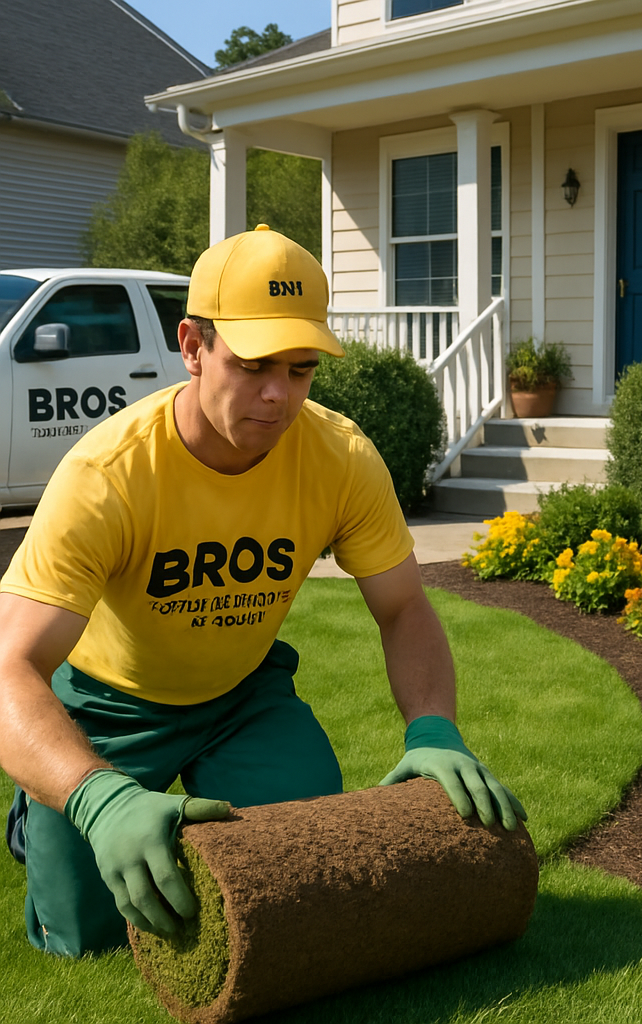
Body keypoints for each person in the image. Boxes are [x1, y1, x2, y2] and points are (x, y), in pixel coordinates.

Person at [0, 224, 526, 958]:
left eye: (301, 368)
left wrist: (433, 728)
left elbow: (403, 606)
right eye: (252, 364)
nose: (278, 395)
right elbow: (11, 667)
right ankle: (40, 817)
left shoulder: (339, 456)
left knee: (307, 885)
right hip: (106, 703)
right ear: (191, 346)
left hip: (242, 697)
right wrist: (96, 796)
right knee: (87, 941)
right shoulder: (108, 475)